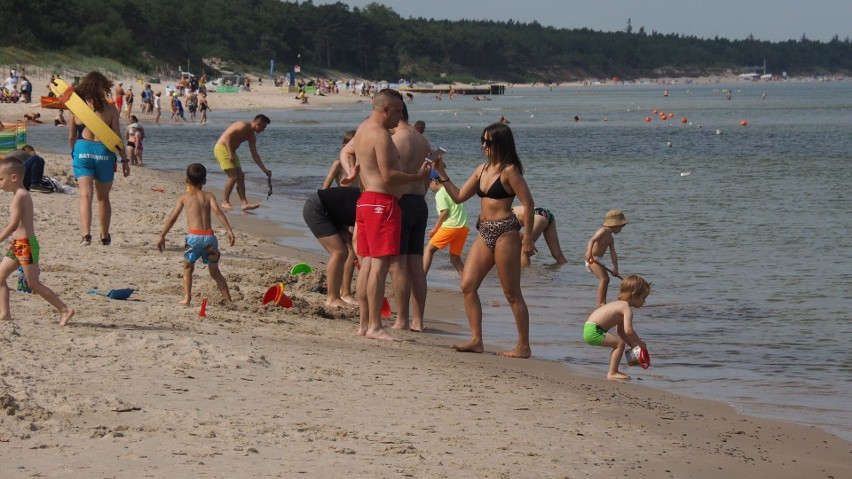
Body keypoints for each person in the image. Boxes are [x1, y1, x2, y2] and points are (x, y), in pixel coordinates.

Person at [431, 122, 535, 358]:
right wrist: (442, 173)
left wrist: (527, 238)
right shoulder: (481, 170)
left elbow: (528, 203)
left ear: (501, 144)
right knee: (467, 284)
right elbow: (458, 197)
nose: (484, 146)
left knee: (511, 293)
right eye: (483, 141)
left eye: (489, 142)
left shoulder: (510, 170)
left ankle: (524, 346)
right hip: (485, 231)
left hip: (506, 231)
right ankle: (477, 340)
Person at [346, 88, 430, 340]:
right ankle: (375, 326)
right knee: (381, 267)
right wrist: (418, 176)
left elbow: (347, 152)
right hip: (382, 202)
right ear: (386, 109)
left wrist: (351, 172)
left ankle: (364, 324)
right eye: (397, 111)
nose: (399, 116)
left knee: (368, 265)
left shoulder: (362, 129)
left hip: (366, 201)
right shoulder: (381, 135)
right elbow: (389, 175)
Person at [0, 157, 75, 326]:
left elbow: (12, 225)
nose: (0, 183)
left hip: (26, 245)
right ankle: (5, 314)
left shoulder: (21, 195)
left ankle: (64, 309)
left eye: (1, 179)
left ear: (14, 178)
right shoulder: (17, 195)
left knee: (34, 284)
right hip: (18, 246)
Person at [157, 163, 235, 305]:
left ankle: (187, 298)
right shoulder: (209, 195)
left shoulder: (184, 197)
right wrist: (229, 230)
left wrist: (162, 235)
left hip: (194, 238)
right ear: (204, 181)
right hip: (210, 238)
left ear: (186, 180)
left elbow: (173, 217)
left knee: (188, 268)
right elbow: (218, 212)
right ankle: (228, 299)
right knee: (215, 272)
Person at [68, 70, 130, 246]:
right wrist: (124, 160)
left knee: (85, 196)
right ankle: (104, 236)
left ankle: (86, 235)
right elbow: (117, 137)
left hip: (83, 150)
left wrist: (75, 152)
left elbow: (72, 136)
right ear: (104, 88)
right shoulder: (111, 109)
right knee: (103, 198)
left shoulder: (76, 108)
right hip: (104, 153)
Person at [389, 103, 431, 332]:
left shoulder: (397, 139)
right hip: (419, 203)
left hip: (402, 203)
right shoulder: (423, 140)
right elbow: (428, 175)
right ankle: (419, 320)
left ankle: (402, 319)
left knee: (398, 264)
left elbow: (391, 175)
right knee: (416, 264)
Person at [583, 275, 650, 380]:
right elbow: (628, 331)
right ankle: (612, 372)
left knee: (619, 342)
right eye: (643, 298)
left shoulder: (619, 305)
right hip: (594, 331)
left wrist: (633, 345)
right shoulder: (626, 308)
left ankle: (614, 371)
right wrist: (640, 344)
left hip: (590, 328)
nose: (644, 302)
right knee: (619, 344)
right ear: (634, 294)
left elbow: (621, 332)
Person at [302, 186, 361, 308]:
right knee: (339, 252)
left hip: (329, 214)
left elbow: (339, 209)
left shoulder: (368, 201)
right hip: (316, 209)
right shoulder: (368, 205)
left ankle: (340, 295)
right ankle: (333, 298)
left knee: (345, 250)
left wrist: (341, 230)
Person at [214, 114, 272, 210]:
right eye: (263, 127)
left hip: (231, 151)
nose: (263, 130)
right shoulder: (242, 125)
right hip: (222, 148)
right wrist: (230, 154)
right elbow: (228, 137)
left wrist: (264, 169)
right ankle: (225, 202)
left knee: (241, 176)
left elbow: (254, 154)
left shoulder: (251, 136)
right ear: (259, 123)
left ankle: (244, 203)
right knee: (233, 176)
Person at [423, 170, 468, 276]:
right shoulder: (450, 190)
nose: (429, 188)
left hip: (451, 226)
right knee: (455, 258)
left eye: (428, 184)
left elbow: (445, 213)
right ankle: (468, 283)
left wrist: (435, 228)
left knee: (428, 250)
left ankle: (421, 277)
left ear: (434, 180)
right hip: (463, 228)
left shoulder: (440, 193)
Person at [585, 210, 628, 307]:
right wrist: (589, 252)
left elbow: (613, 253)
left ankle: (603, 301)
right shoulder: (603, 231)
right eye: (621, 226)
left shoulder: (610, 238)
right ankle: (600, 303)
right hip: (592, 258)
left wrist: (615, 268)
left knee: (606, 279)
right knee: (604, 279)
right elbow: (592, 240)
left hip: (599, 259)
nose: (621, 229)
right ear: (615, 224)